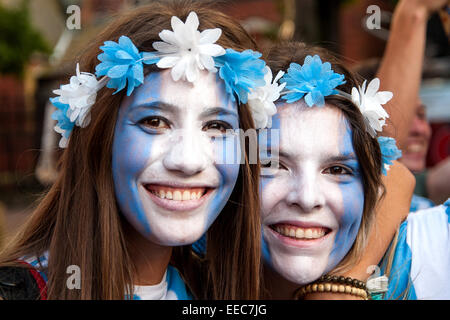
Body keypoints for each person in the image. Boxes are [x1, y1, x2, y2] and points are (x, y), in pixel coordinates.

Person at [0, 0, 267, 300]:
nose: (188, 161)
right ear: (100, 138)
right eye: (154, 121)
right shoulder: (19, 292)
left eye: (216, 126)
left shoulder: (220, 292)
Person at [260, 42, 450, 300]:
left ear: (370, 185)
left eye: (337, 169)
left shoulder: (429, 253)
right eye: (273, 165)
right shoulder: (188, 267)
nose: (307, 199)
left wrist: (343, 283)